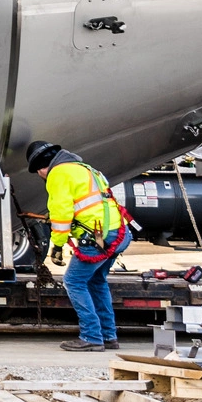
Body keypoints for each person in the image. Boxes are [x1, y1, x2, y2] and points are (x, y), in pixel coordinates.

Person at [26, 140, 130, 352]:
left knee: (74, 282)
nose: (41, 176)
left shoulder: (57, 174)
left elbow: (62, 214)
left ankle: (91, 337)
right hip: (116, 232)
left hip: (96, 238)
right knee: (97, 282)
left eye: (38, 172)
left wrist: (57, 246)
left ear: (41, 168)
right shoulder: (86, 169)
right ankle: (108, 336)